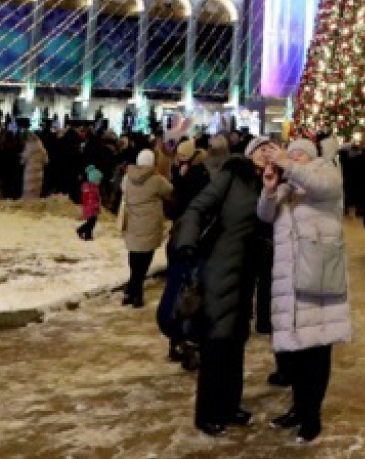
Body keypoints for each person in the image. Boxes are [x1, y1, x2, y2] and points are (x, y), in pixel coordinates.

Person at [257, 138, 352, 443]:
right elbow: (264, 215)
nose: (292, 158)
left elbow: (323, 187)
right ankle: (299, 408)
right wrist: (269, 188)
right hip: (289, 282)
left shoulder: (326, 173)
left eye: (298, 154)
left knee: (317, 350)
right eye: (290, 152)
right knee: (296, 353)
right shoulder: (289, 187)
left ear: (310, 158)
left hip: (318, 278)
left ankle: (312, 416)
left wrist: (287, 163)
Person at [174, 136, 268, 437]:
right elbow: (196, 209)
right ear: (250, 154)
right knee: (216, 342)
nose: (267, 155)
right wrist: (187, 244)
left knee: (235, 342)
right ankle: (207, 413)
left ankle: (230, 405)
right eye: (261, 150)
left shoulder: (268, 184)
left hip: (245, 273)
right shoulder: (232, 176)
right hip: (219, 268)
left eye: (272, 150)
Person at [118, 148, 172, 307]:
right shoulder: (156, 180)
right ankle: (136, 293)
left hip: (132, 223)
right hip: (150, 224)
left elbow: (123, 190)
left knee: (134, 258)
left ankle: (131, 291)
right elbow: (170, 191)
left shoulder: (127, 178)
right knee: (144, 260)